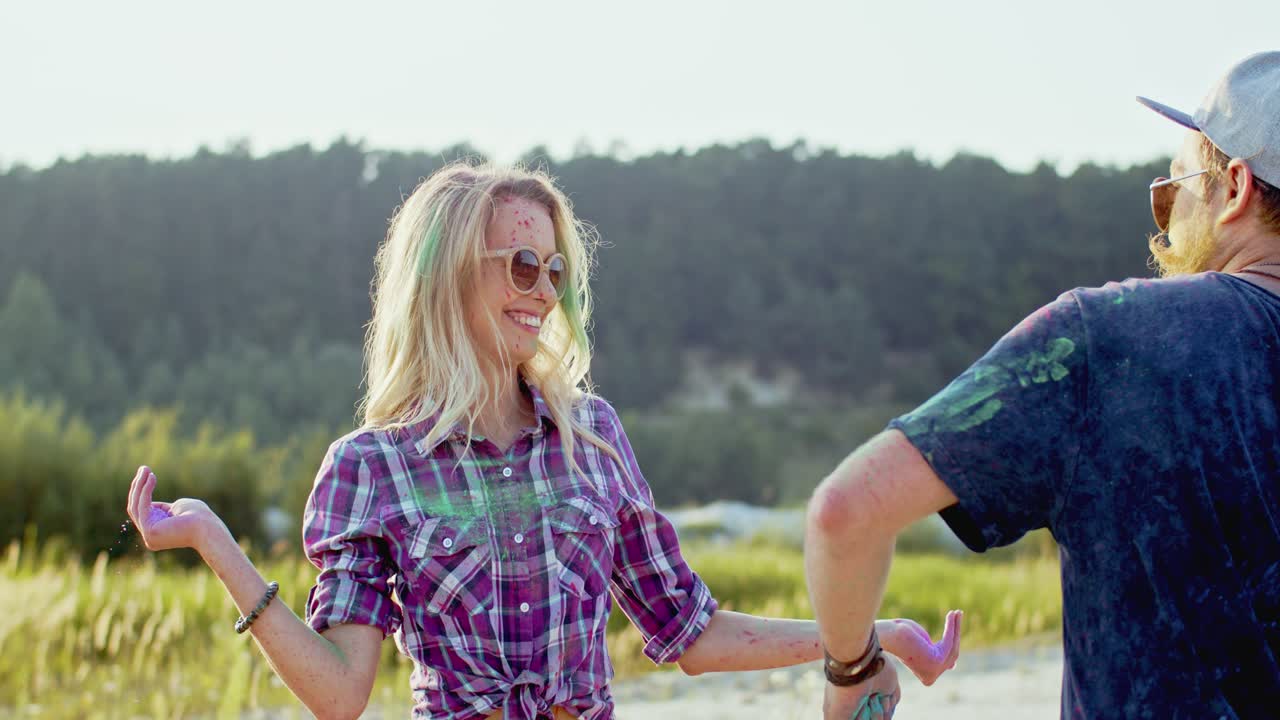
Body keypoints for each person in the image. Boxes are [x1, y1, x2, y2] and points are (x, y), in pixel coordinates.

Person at [126, 162, 962, 720]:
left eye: (555, 273)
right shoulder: (369, 470)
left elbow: (691, 632)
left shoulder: (593, 439)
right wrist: (212, 540)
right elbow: (341, 693)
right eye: (521, 266)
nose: (543, 292)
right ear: (450, 272)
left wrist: (868, 638)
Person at [804, 51, 1280, 719]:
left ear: (1235, 187)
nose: (1165, 219)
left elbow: (843, 513)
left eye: (1176, 188)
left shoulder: (1105, 338)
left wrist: (853, 670)